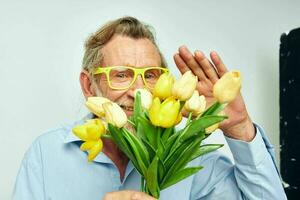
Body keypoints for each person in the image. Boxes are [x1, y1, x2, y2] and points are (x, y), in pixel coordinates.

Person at [13, 16, 287, 200]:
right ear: (88, 86)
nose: (138, 91)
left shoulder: (192, 156)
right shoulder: (46, 155)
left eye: (151, 75)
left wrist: (240, 128)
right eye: (121, 75)